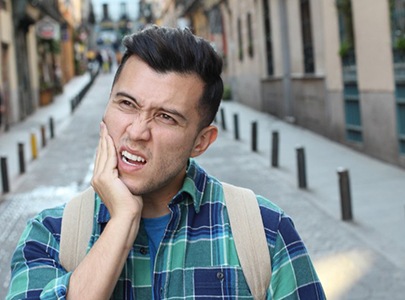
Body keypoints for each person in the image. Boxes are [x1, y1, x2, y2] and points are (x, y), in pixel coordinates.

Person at [6, 25, 326, 299]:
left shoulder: (265, 232)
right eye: (127, 103)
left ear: (201, 142)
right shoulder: (52, 234)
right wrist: (121, 222)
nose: (136, 131)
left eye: (165, 117)